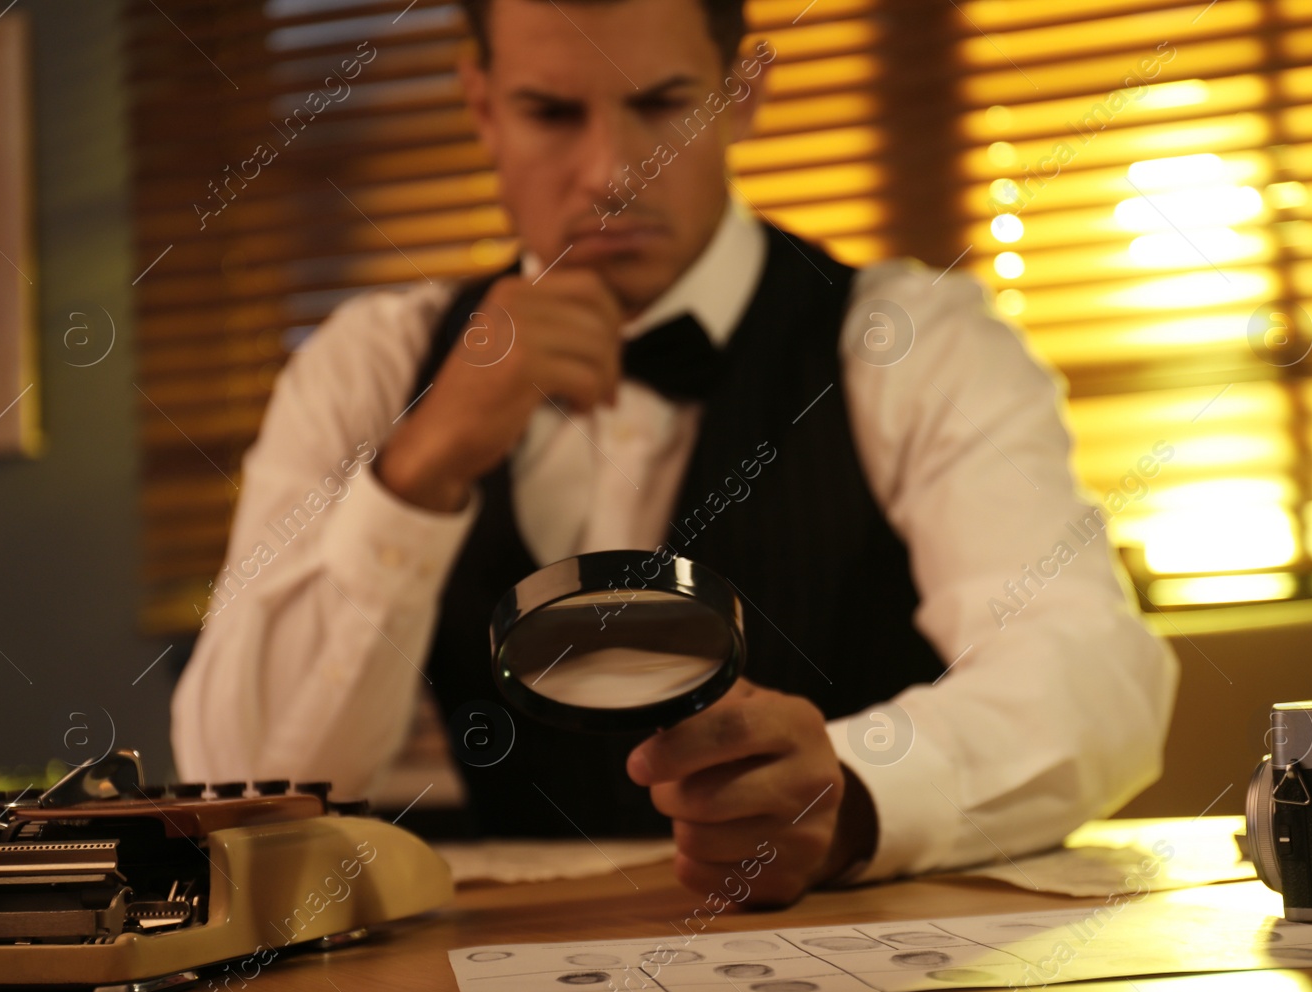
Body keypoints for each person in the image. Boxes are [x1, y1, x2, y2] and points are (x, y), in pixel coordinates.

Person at [172, 0, 1177, 906]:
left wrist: (860, 787)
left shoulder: (917, 340)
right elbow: (244, 777)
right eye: (551, 113)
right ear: (478, 104)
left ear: (743, 94)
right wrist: (417, 468)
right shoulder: (369, 368)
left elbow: (1092, 673)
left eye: (664, 105)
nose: (614, 173)